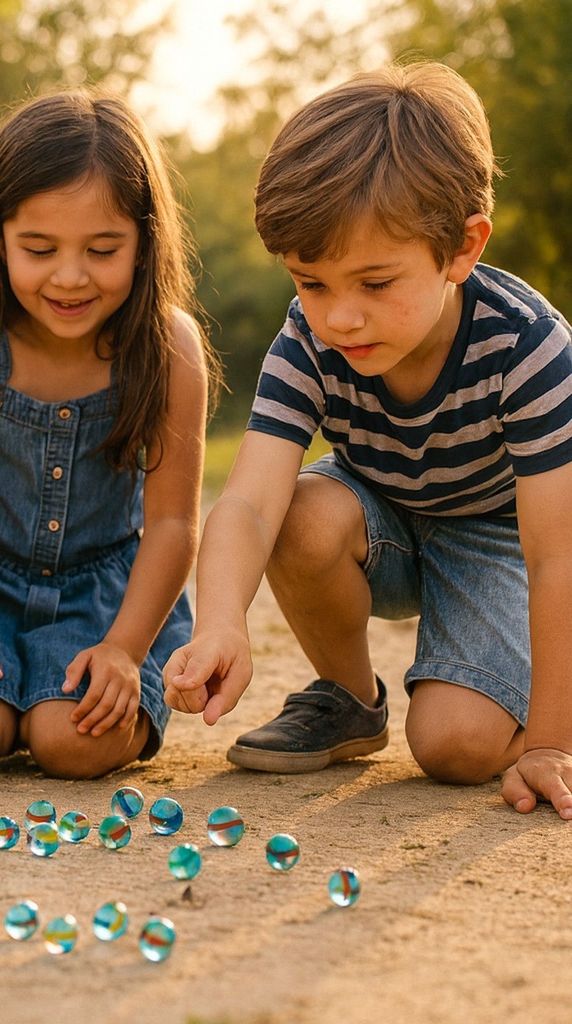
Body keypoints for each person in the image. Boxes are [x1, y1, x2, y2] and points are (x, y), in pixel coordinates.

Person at [163, 61, 572, 820]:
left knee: (455, 749)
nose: (339, 317)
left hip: (499, 538)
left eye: (375, 284)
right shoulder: (309, 341)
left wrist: (551, 739)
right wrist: (221, 622)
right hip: (380, 515)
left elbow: (557, 555)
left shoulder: (529, 350)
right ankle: (350, 701)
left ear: (463, 249)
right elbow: (250, 504)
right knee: (301, 509)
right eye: (311, 283)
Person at [0, 90, 218, 779]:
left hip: (105, 599)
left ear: (144, 243)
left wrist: (124, 649)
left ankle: (39, 707)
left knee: (74, 743)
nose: (71, 276)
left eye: (103, 249)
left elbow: (173, 526)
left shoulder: (169, 349)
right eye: (39, 248)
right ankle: (5, 707)